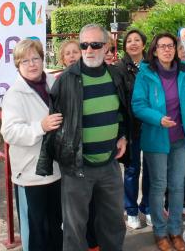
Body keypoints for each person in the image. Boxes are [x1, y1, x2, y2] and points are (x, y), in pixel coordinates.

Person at [36, 24, 130, 251]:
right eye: (84, 45)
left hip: (109, 164)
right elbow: (55, 124)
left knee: (114, 221)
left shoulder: (116, 75)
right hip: (77, 167)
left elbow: (123, 112)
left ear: (107, 46)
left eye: (95, 45)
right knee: (74, 228)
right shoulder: (66, 80)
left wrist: (123, 136)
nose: (89, 50)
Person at [132, 33, 185, 251]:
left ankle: (175, 230)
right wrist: (158, 119)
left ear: (176, 49)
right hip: (156, 138)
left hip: (179, 139)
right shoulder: (145, 73)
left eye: (171, 46)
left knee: (178, 186)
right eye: (162, 46)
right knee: (159, 187)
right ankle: (160, 232)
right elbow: (138, 105)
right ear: (155, 50)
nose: (167, 50)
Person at [1, 39, 63, 251]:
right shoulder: (13, 95)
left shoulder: (53, 83)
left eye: (35, 58)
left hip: (56, 168)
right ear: (18, 65)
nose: (31, 64)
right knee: (36, 231)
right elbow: (9, 133)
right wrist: (41, 127)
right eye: (24, 61)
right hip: (30, 173)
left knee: (56, 225)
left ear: (42, 59)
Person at [116, 29, 152, 229]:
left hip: (151, 124)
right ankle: (130, 210)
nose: (133, 44)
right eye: (129, 41)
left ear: (144, 44)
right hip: (131, 126)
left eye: (137, 40)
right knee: (132, 169)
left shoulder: (151, 66)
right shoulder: (119, 68)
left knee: (150, 168)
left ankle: (146, 207)